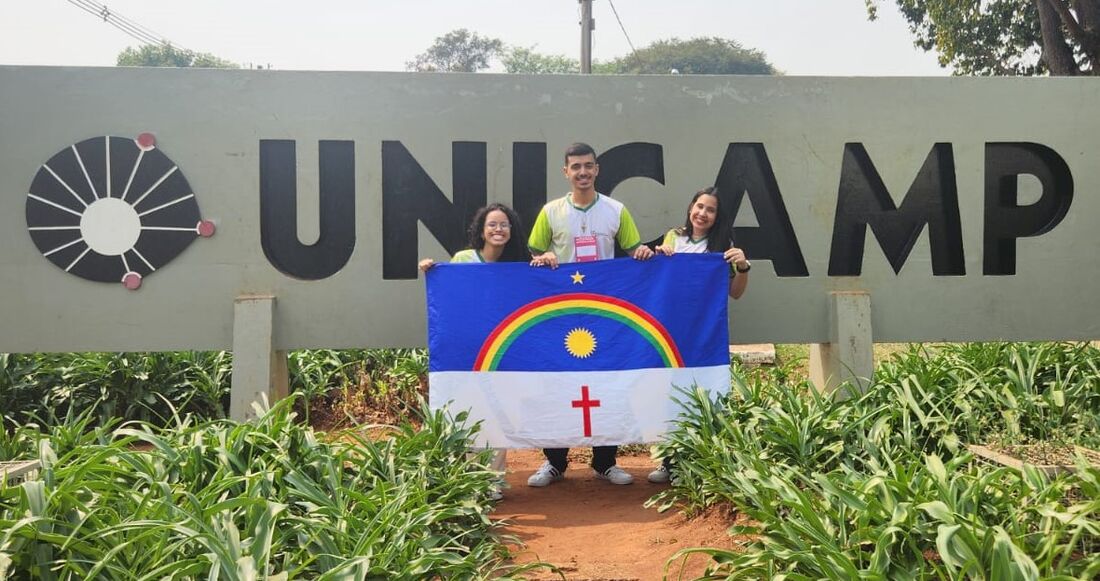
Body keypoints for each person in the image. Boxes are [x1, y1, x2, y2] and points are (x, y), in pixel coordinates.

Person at [527, 142, 655, 487]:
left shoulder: (616, 210)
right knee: (555, 384)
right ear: (565, 172)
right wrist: (543, 258)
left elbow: (633, 251)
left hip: (605, 313)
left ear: (597, 169)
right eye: (575, 167)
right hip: (560, 313)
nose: (582, 172)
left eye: (588, 166)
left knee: (607, 383)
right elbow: (536, 251)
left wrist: (642, 251)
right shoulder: (551, 211)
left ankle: (605, 462)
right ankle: (554, 463)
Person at [419, 202, 529, 500]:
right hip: (469, 350)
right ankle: (468, 479)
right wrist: (432, 268)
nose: (498, 229)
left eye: (504, 224)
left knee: (497, 411)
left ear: (511, 230)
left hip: (502, 351)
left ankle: (493, 481)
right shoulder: (464, 259)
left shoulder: (517, 264)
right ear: (481, 230)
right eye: (492, 224)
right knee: (470, 411)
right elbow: (451, 293)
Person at [647, 186, 750, 484]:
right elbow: (657, 280)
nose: (702, 213)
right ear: (691, 207)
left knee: (702, 394)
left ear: (717, 217)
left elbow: (736, 294)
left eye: (710, 209)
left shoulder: (722, 248)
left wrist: (743, 266)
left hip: (703, 333)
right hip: (670, 331)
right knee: (669, 393)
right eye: (699, 206)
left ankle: (696, 461)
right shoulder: (673, 237)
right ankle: (668, 460)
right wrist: (660, 256)